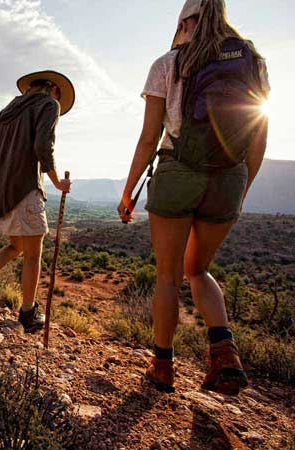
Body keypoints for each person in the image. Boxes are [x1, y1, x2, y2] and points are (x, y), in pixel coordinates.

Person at [118, 0, 270, 395]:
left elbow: (150, 137)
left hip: (177, 173)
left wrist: (128, 190)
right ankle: (224, 354)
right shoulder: (252, 60)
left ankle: (162, 368)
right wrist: (239, 189)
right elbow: (258, 137)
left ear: (185, 22)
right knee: (198, 269)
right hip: (228, 180)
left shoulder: (168, 63)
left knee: (168, 275)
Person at [0, 70, 75, 333]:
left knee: (17, 246)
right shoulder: (49, 104)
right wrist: (57, 182)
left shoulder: (6, 112)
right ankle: (27, 313)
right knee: (34, 253)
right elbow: (44, 146)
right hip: (24, 186)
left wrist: (2, 171)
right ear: (53, 89)